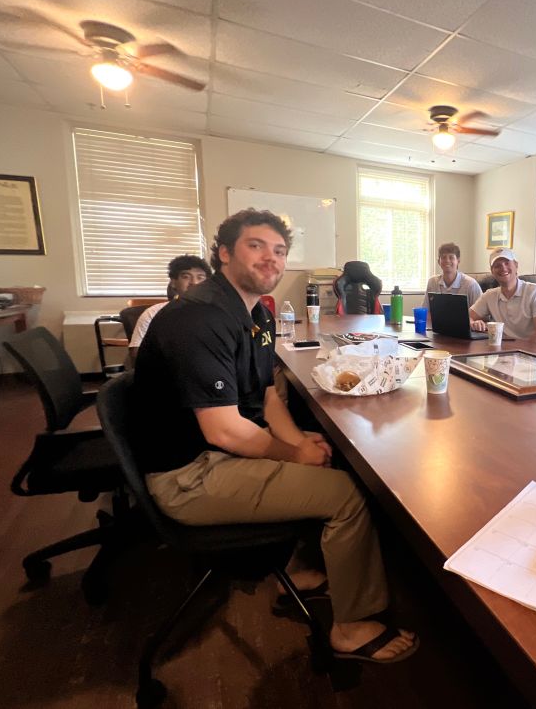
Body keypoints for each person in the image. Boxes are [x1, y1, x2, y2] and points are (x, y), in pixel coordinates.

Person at [130, 208, 417, 664]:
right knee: (346, 494)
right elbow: (223, 429)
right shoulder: (198, 319)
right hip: (188, 475)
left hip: (216, 452)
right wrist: (291, 452)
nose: (271, 259)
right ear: (224, 254)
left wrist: (300, 448)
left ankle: (303, 569)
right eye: (256, 246)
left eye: (279, 250)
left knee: (323, 451)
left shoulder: (257, 316)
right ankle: (351, 627)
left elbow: (266, 398)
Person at [128, 254, 212, 363]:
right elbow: (136, 353)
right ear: (173, 282)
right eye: (186, 276)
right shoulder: (153, 313)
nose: (194, 283)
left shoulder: (216, 314)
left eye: (200, 277)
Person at [469, 248, 536, 344]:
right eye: (497, 265)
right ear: (492, 271)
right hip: (508, 351)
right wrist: (472, 323)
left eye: (507, 263)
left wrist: (520, 355)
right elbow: (466, 317)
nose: (503, 268)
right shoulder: (489, 295)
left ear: (516, 265)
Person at [423, 241, 482, 310]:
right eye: (443, 257)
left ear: (458, 261)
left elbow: (482, 314)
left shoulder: (471, 284)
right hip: (438, 321)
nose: (447, 260)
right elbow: (425, 310)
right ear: (439, 261)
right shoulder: (432, 282)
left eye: (451, 257)